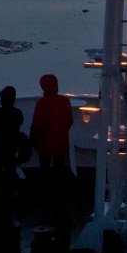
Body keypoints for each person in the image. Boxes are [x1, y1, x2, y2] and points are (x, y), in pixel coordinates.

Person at [30, 73, 73, 221]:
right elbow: (69, 121)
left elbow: (37, 125)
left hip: (46, 144)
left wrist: (33, 141)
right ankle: (60, 198)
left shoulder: (43, 103)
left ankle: (46, 202)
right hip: (61, 142)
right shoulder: (65, 101)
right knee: (60, 169)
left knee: (45, 172)